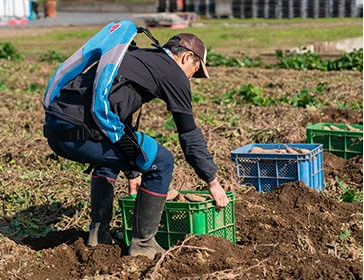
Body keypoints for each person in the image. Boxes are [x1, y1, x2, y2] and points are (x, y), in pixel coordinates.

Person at [43, 29, 229, 260]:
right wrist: (211, 179)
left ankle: (98, 235)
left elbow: (116, 115)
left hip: (57, 132)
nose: (191, 77)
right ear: (187, 57)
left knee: (108, 162)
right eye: (195, 70)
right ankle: (143, 245)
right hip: (86, 134)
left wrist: (132, 171)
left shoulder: (137, 58)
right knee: (162, 161)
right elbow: (188, 134)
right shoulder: (174, 73)